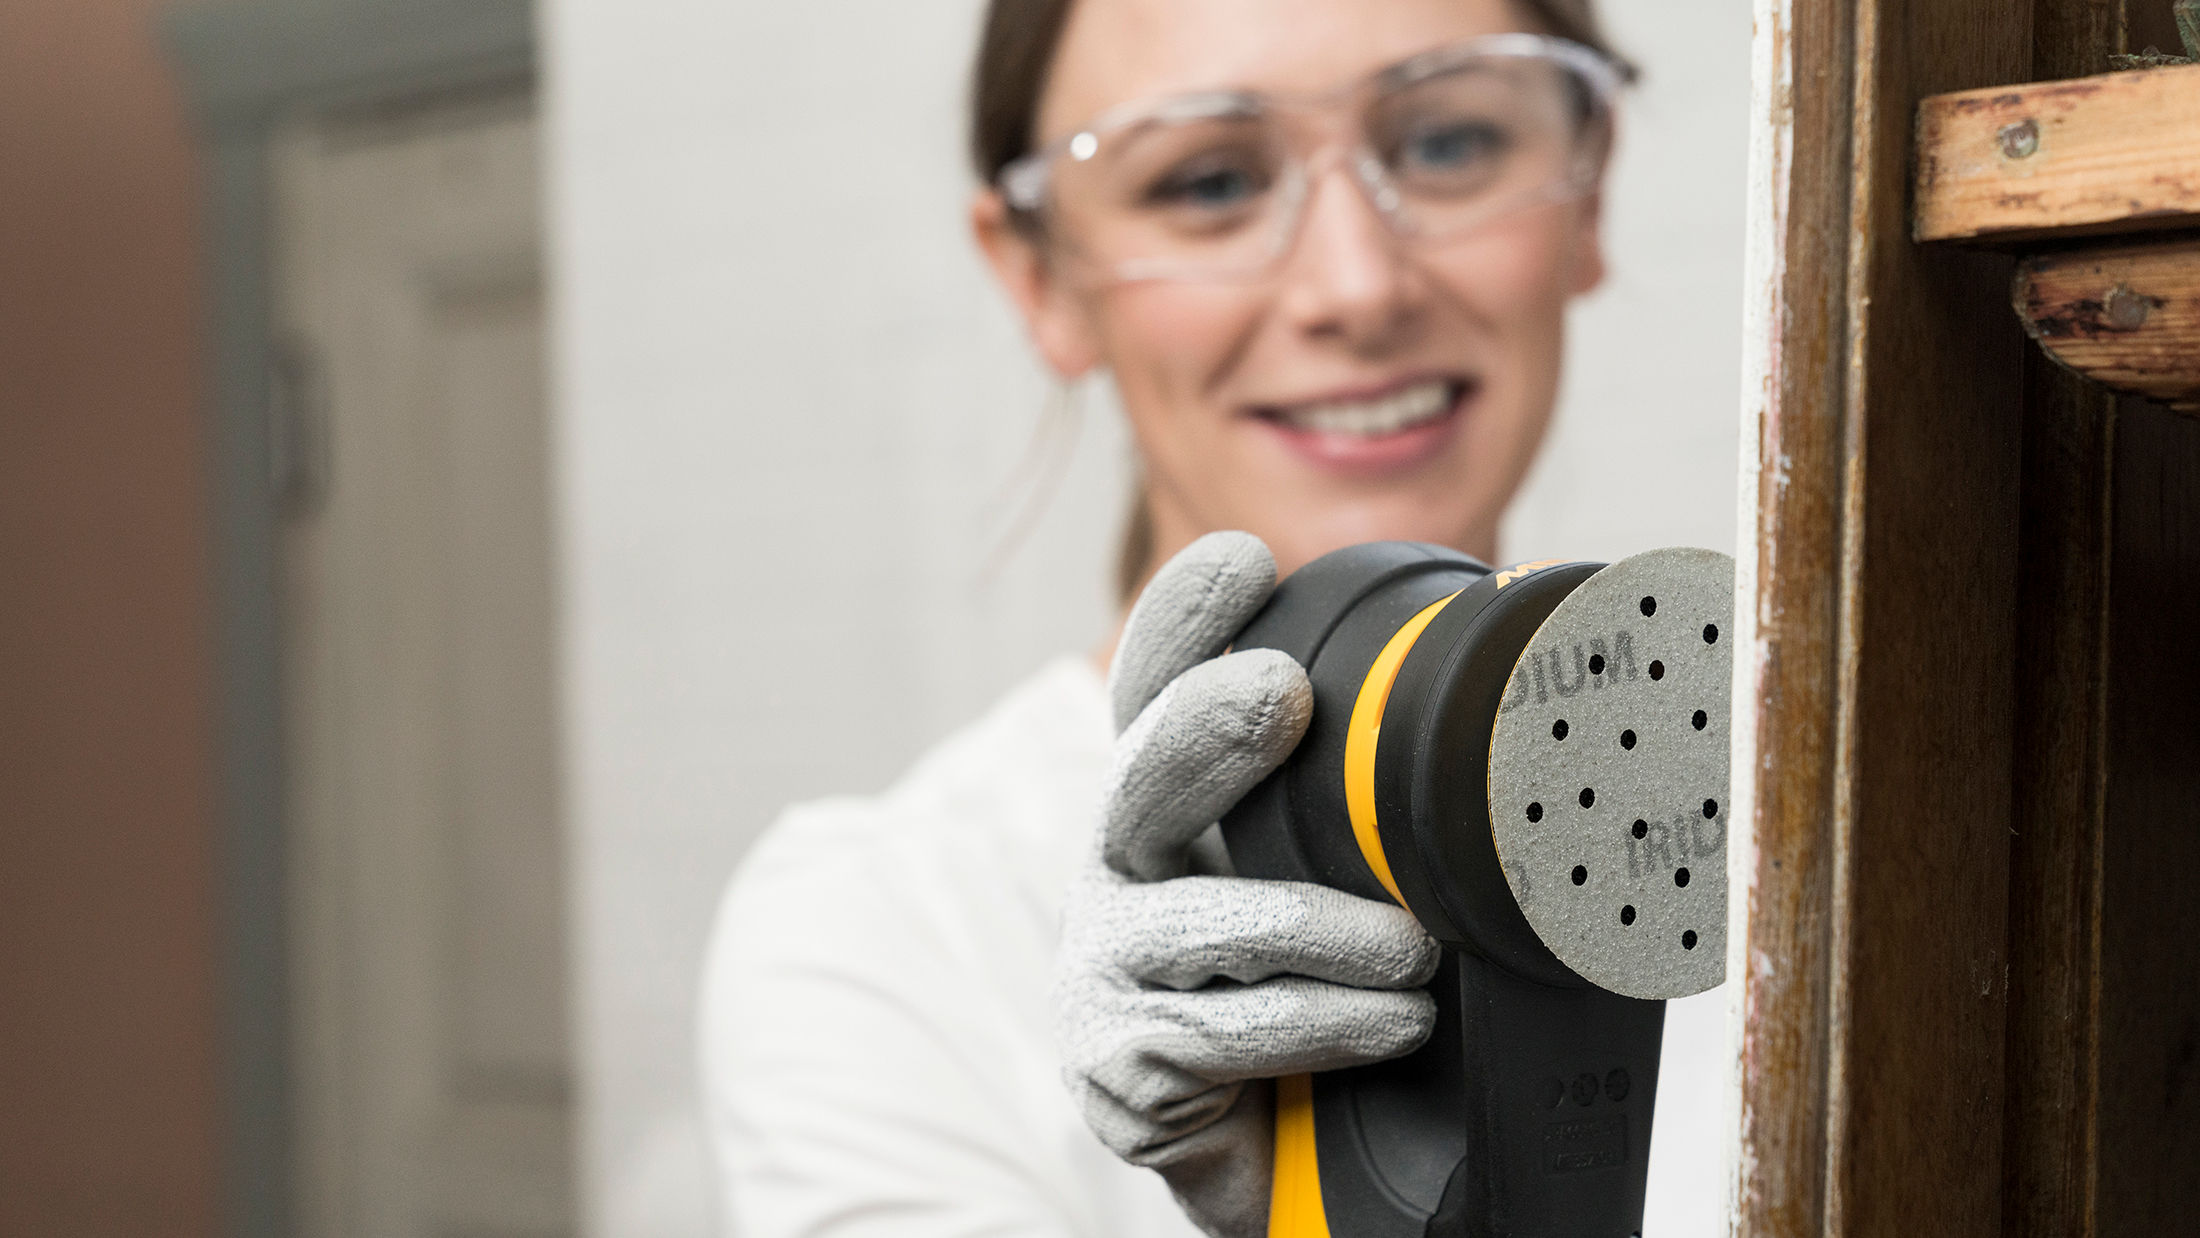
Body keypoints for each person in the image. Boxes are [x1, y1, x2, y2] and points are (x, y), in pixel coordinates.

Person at [699, 0, 1640, 1234]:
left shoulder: (1776, 832)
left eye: (1449, 143)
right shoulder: (882, 930)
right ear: (1041, 277)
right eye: (1208, 181)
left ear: (1589, 189)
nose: (1357, 286)